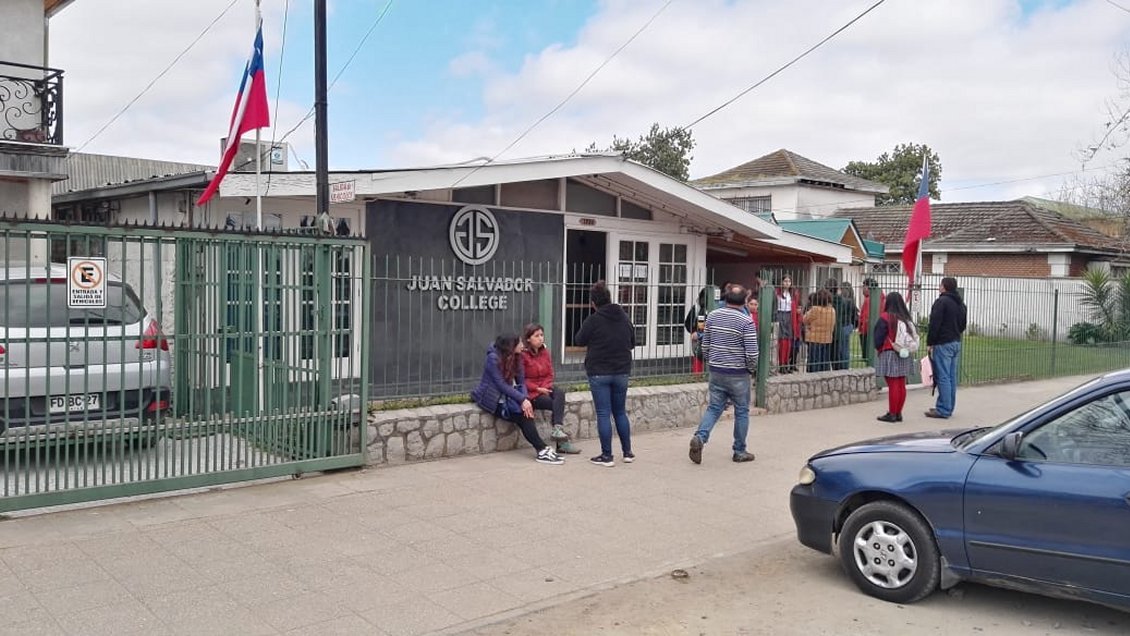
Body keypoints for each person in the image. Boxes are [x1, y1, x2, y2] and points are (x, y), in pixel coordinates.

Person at [688, 285, 759, 465]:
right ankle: (739, 450)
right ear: (744, 301)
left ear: (725, 299)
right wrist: (750, 369)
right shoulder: (746, 321)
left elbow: (705, 344)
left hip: (717, 370)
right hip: (738, 373)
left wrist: (711, 361)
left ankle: (700, 437)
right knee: (742, 411)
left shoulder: (712, 316)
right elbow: (752, 353)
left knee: (714, 408)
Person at [471, 334, 564, 465]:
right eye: (519, 343)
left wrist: (525, 399)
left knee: (526, 411)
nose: (522, 346)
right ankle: (541, 449)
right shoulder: (493, 358)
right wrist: (522, 400)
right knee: (523, 415)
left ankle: (542, 449)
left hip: (508, 397)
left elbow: (521, 382)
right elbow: (501, 384)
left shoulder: (517, 357)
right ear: (511, 346)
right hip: (492, 399)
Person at [575, 280, 636, 467]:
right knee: (620, 412)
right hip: (622, 371)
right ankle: (627, 453)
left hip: (599, 372)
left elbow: (579, 340)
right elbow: (632, 342)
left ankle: (607, 456)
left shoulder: (593, 320)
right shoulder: (625, 318)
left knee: (603, 413)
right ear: (610, 299)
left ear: (593, 303)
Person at [521, 323, 581, 454]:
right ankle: (561, 445)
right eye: (536, 336)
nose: (541, 338)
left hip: (545, 388)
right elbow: (522, 380)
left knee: (559, 393)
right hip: (532, 393)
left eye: (542, 335)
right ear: (528, 339)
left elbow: (550, 373)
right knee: (555, 405)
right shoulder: (522, 356)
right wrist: (538, 389)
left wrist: (545, 387)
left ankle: (557, 429)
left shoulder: (545, 353)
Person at [925, 277, 967, 419]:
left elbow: (934, 324)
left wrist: (930, 342)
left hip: (943, 343)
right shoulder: (961, 304)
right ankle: (948, 406)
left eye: (940, 285)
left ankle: (943, 409)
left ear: (944, 287)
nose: (939, 287)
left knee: (942, 376)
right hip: (955, 341)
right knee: (951, 377)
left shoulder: (941, 302)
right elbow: (963, 325)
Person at [872, 292, 915, 422]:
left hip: (890, 352)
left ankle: (892, 413)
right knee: (901, 383)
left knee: (892, 384)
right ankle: (898, 412)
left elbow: (878, 337)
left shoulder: (885, 317)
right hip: (904, 352)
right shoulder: (906, 318)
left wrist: (879, 348)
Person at [803, 289, 835, 372]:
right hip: (827, 339)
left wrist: (809, 325)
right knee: (824, 362)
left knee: (814, 361)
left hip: (814, 339)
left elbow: (804, 319)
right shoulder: (832, 310)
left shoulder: (815, 309)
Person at [774, 275, 802, 373]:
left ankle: (786, 364)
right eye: (785, 281)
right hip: (780, 314)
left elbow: (797, 306)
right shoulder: (777, 292)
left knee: (788, 340)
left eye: (789, 281)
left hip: (790, 316)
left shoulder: (793, 293)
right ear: (781, 282)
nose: (787, 283)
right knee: (782, 341)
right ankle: (781, 364)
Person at [684, 287, 713, 374]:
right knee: (698, 354)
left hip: (710, 335)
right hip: (698, 336)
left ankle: (704, 375)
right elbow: (688, 322)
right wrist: (693, 332)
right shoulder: (696, 308)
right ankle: (697, 376)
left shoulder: (715, 309)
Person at [858, 278, 885, 354]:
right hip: (878, 329)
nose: (862, 289)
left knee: (868, 355)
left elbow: (866, 317)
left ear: (867, 287)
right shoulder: (882, 298)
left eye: (864, 286)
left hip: (868, 332)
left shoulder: (869, 300)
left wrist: (862, 330)